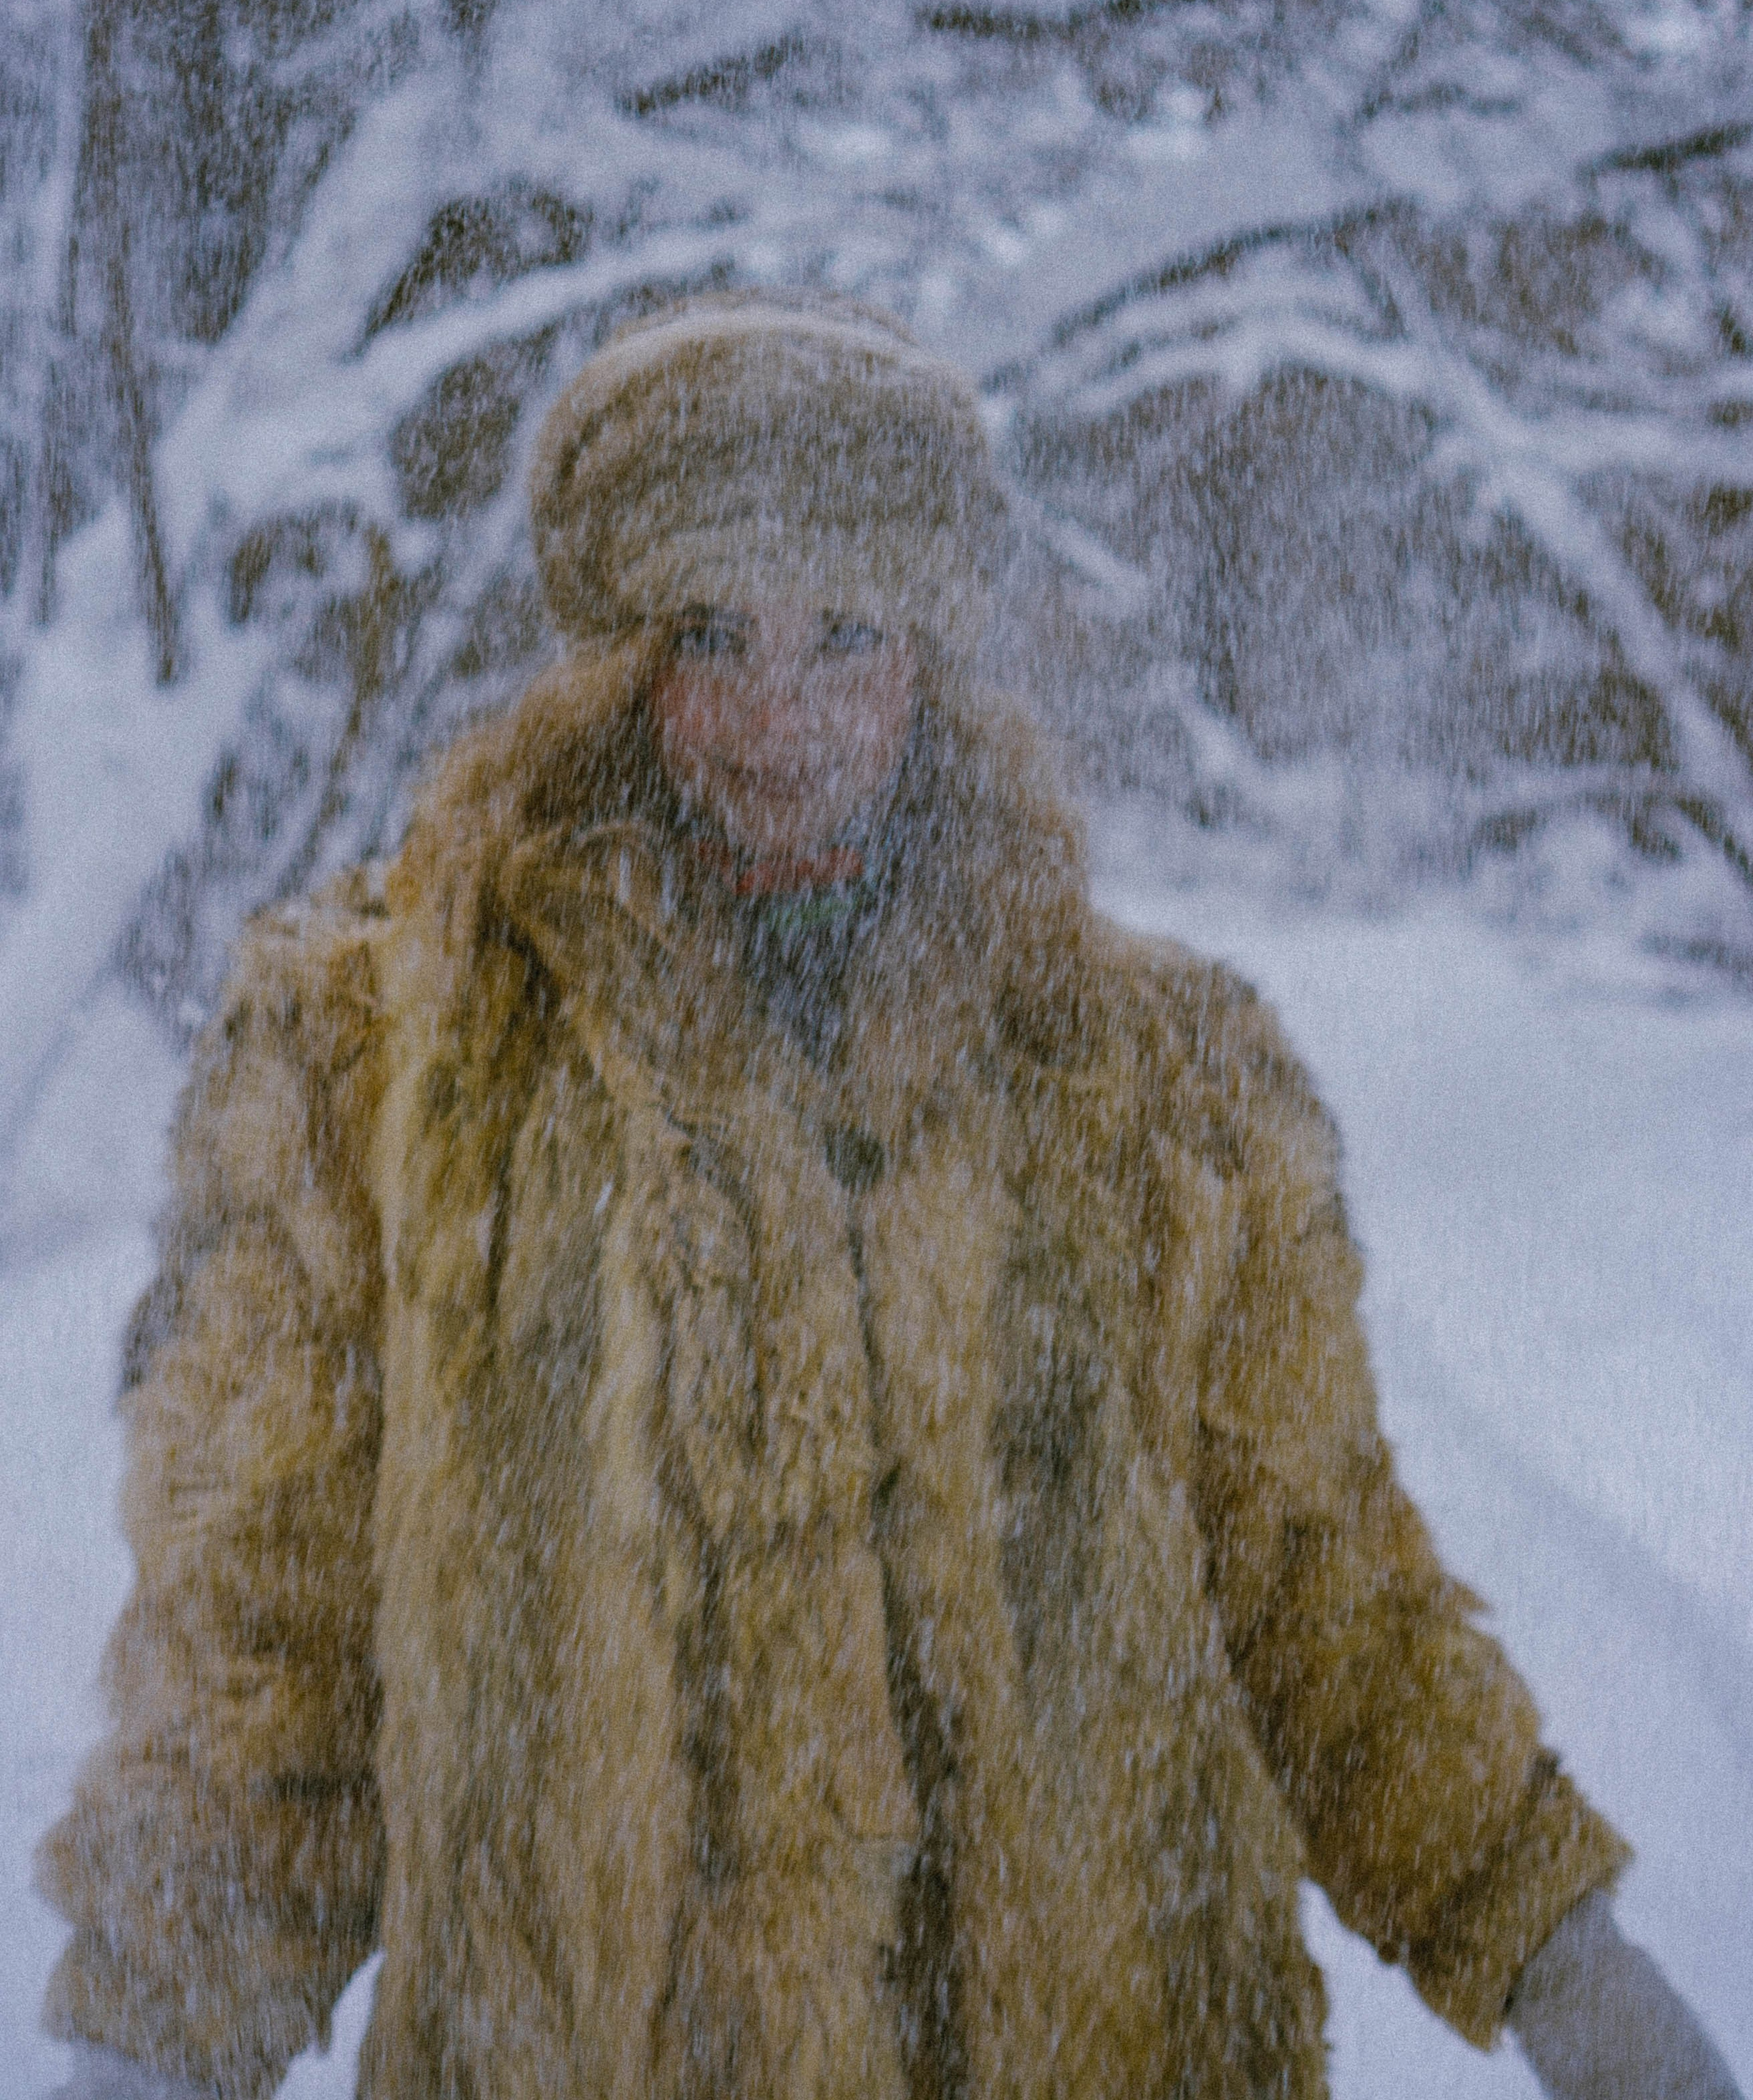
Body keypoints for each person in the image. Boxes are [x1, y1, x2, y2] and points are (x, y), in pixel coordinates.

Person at [37, 294, 1742, 2100]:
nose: (780, 721)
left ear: (927, 655)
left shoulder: (1159, 1077)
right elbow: (263, 1665)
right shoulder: (377, 1065)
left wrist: (1567, 1960)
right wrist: (154, 2048)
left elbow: (1324, 1600)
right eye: (713, 635)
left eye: (842, 634)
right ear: (615, 660)